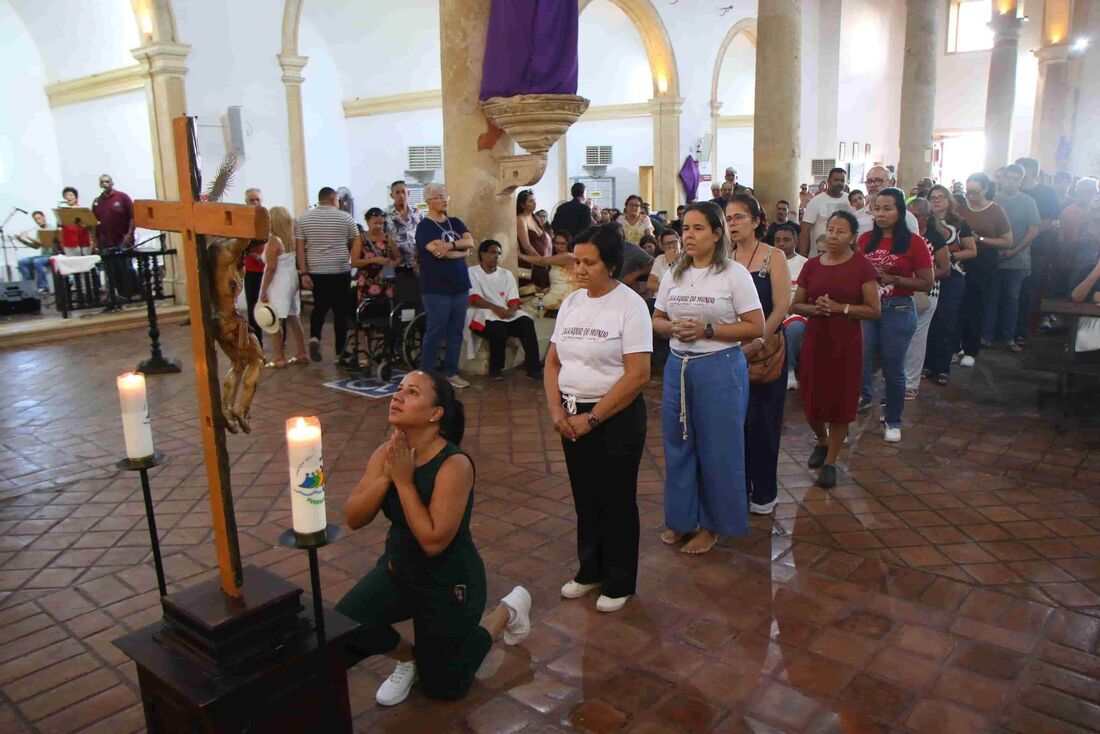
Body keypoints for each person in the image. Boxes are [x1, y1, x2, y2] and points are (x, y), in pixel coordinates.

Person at [336, 370, 532, 706]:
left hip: (449, 585)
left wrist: (404, 482)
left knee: (444, 688)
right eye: (398, 389)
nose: (397, 396)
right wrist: (386, 478)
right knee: (343, 631)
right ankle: (408, 659)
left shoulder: (454, 464)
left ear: (435, 413)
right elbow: (354, 517)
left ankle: (505, 612)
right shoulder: (388, 453)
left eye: (411, 392)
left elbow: (433, 541)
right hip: (398, 572)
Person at [544, 224, 651, 611]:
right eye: (576, 261)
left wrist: (592, 419)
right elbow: (553, 360)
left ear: (612, 265)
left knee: (617, 498)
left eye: (589, 263)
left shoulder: (630, 305)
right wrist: (557, 409)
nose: (580, 269)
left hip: (614, 417)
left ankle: (619, 581)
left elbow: (638, 373)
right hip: (572, 413)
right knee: (585, 497)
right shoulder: (573, 303)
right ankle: (590, 570)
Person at [653, 202, 763, 553]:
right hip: (677, 367)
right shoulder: (675, 272)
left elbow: (755, 326)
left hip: (719, 367)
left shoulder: (733, 274)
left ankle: (714, 525)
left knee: (719, 448)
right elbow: (655, 318)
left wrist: (707, 329)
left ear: (717, 234)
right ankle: (682, 519)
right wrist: (672, 327)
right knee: (678, 444)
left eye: (698, 228)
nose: (688, 235)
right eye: (685, 228)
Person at [790, 211, 881, 487]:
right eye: (830, 229)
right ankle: (821, 440)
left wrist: (842, 308)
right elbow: (797, 305)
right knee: (811, 399)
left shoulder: (862, 267)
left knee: (840, 401)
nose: (833, 235)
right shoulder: (812, 266)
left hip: (846, 341)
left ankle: (831, 461)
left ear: (853, 237)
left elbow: (873, 310)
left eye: (841, 231)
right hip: (817, 337)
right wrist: (814, 308)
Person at [726, 194, 790, 515]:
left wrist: (758, 342)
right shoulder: (725, 258)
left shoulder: (772, 257)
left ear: (756, 221)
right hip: (731, 351)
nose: (732, 224)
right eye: (728, 219)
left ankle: (764, 492)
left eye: (738, 217)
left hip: (765, 351)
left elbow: (780, 307)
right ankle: (740, 487)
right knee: (735, 424)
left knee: (763, 423)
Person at [856, 188, 933, 443]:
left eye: (887, 208)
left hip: (898, 307)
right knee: (863, 359)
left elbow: (926, 282)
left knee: (892, 365)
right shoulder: (866, 239)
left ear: (900, 211)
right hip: (868, 308)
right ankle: (863, 398)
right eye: (877, 209)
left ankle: (893, 418)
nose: (881, 214)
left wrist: (893, 278)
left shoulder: (914, 242)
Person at [416, 183, 475, 388]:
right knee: (435, 330)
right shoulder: (424, 226)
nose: (444, 199)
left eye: (445, 195)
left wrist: (451, 246)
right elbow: (436, 251)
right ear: (429, 201)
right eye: (439, 196)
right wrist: (460, 252)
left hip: (459, 285)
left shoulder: (455, 222)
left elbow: (470, 242)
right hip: (435, 287)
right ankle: (425, 375)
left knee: (456, 331)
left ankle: (451, 372)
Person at [296, 186, 359, 367]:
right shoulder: (345, 217)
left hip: (317, 271)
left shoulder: (304, 218)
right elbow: (356, 242)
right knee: (340, 313)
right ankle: (340, 353)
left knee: (320, 308)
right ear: (334, 200)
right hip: (340, 270)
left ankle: (315, 337)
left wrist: (304, 272)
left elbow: (300, 247)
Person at [957, 172, 1013, 368]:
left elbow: (1007, 241)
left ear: (986, 189)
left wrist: (980, 239)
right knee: (958, 304)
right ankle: (956, 346)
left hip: (984, 262)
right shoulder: (961, 209)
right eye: (968, 191)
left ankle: (971, 348)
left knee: (976, 305)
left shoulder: (996, 211)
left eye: (975, 192)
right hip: (963, 260)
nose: (970, 196)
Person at [924, 184, 977, 386]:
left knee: (946, 321)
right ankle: (926, 364)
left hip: (952, 277)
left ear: (948, 200)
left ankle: (942, 367)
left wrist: (948, 256)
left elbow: (972, 250)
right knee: (929, 321)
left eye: (941, 197)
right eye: (933, 197)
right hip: (929, 276)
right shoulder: (924, 223)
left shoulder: (959, 223)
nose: (936, 200)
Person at [468, 240, 543, 380]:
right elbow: (475, 298)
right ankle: (496, 368)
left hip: (506, 312)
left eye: (498, 253)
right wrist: (497, 309)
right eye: (492, 252)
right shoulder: (472, 272)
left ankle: (533, 368)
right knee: (498, 329)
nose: (496, 256)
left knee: (527, 322)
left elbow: (513, 298)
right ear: (482, 254)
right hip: (484, 312)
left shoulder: (506, 274)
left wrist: (511, 311)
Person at [988, 164, 1040, 352]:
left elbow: (1033, 231)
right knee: (990, 297)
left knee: (1012, 298)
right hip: (993, 257)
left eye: (1015, 179)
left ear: (1021, 181)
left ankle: (1008, 337)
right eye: (1007, 177)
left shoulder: (1028, 202)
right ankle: (986, 335)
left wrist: (1015, 251)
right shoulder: (993, 200)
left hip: (1017, 260)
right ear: (1001, 178)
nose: (1010, 182)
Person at [903, 198, 950, 398]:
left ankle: (911, 383)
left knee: (917, 337)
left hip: (926, 293)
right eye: (909, 214)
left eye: (917, 215)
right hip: (902, 290)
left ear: (927, 217)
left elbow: (945, 269)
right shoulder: (901, 236)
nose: (912, 218)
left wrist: (920, 277)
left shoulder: (934, 237)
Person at [1015, 157, 1061, 340]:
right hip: (1012, 245)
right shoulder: (1012, 192)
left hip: (1037, 247)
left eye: (1021, 170)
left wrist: (1027, 235)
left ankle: (1023, 327)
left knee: (1029, 288)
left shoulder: (1046, 193)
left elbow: (1049, 221)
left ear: (1032, 171)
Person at [258, 206, 307, 368]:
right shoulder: (291, 238)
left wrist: (264, 290)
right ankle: (301, 352)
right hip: (291, 281)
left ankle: (279, 357)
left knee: (274, 319)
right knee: (293, 316)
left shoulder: (274, 241)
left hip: (278, 283)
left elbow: (271, 268)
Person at [773, 222, 807, 389]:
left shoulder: (805, 264)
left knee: (793, 329)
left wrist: (788, 311)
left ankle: (790, 371)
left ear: (796, 242)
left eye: (786, 239)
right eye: (777, 240)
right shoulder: (767, 262)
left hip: (796, 312)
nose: (781, 243)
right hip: (772, 311)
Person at [384, 180, 423, 300]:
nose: (401, 195)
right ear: (392, 195)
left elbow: (422, 236)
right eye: (397, 192)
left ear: (408, 193)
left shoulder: (417, 213)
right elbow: (384, 238)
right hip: (397, 264)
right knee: (401, 299)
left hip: (416, 263)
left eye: (403, 192)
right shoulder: (386, 215)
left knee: (417, 298)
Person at [799, 167, 850, 256]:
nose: (839, 183)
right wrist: (803, 257)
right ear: (828, 181)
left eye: (842, 180)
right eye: (836, 180)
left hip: (843, 256)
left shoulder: (849, 200)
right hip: (818, 256)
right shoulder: (816, 201)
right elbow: (805, 231)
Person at [856, 166, 918, 235]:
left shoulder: (907, 218)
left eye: (878, 181)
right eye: (869, 181)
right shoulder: (857, 216)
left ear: (891, 183)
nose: (873, 185)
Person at [352, 207, 395, 301]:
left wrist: (393, 263)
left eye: (381, 223)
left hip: (386, 281)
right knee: (367, 310)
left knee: (387, 309)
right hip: (367, 282)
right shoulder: (360, 239)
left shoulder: (388, 238)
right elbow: (354, 262)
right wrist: (374, 260)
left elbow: (398, 257)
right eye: (375, 223)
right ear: (367, 222)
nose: (378, 226)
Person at [242, 188, 266, 346]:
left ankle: (280, 338)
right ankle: (257, 341)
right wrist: (251, 254)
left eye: (258, 199)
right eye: (252, 200)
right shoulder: (243, 220)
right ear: (246, 202)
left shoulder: (267, 218)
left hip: (268, 268)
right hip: (251, 270)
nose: (256, 203)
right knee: (253, 306)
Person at [516, 189, 552, 289]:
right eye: (531, 201)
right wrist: (541, 261)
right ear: (522, 205)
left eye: (535, 200)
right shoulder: (520, 219)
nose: (534, 203)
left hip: (544, 262)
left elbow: (545, 238)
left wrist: (548, 259)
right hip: (530, 265)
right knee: (534, 292)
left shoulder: (535, 217)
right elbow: (526, 245)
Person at [91, 174, 134, 249]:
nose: (104, 184)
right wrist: (95, 240)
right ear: (100, 185)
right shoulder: (97, 201)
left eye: (107, 181)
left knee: (123, 260)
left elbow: (132, 217)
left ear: (112, 183)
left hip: (122, 240)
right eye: (102, 182)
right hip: (104, 242)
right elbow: (94, 222)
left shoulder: (122, 197)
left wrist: (129, 235)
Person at [15, 211, 53, 292]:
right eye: (36, 220)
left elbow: (40, 242)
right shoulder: (39, 231)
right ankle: (28, 286)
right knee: (22, 262)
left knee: (37, 261)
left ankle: (43, 286)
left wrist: (28, 237)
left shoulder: (51, 228)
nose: (38, 221)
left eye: (39, 218)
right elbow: (36, 246)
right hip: (43, 256)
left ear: (44, 217)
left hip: (52, 255)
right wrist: (22, 240)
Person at [57, 187, 93, 254]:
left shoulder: (83, 210)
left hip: (83, 242)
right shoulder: (63, 212)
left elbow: (91, 225)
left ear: (76, 197)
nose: (68, 197)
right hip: (68, 243)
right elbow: (60, 227)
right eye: (66, 195)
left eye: (70, 195)